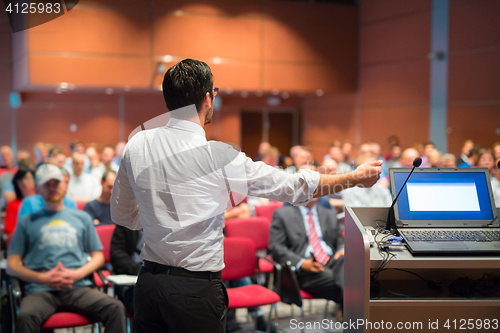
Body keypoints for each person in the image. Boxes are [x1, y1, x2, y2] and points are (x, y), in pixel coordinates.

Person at [111, 58, 382, 333]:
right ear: (208, 98)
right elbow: (293, 187)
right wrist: (354, 178)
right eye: (214, 93)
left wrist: (160, 222)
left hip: (148, 285)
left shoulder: (138, 143)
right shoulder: (217, 156)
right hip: (194, 291)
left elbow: (121, 214)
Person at [6, 164, 126, 333]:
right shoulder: (27, 222)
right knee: (26, 317)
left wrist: (78, 273)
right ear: (38, 189)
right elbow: (12, 265)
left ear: (64, 184)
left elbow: (98, 256)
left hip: (78, 286)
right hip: (41, 290)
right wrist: (42, 277)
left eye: (56, 183)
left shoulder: (82, 218)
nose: (52, 188)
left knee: (115, 308)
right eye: (47, 184)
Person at [268, 192, 345, 308]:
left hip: (332, 261)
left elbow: (340, 241)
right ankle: (359, 318)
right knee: (353, 285)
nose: (311, 192)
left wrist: (341, 250)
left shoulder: (329, 214)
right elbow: (276, 247)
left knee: (350, 268)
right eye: (307, 188)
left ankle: (354, 317)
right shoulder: (283, 215)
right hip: (305, 268)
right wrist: (302, 263)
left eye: (315, 188)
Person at [110, 224, 143, 313]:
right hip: (130, 276)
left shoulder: (164, 226)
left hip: (157, 277)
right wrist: (139, 270)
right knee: (143, 304)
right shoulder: (126, 223)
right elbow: (117, 255)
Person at [4, 168, 37, 236]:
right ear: (17, 183)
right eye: (20, 180)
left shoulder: (43, 202)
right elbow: (10, 232)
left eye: (27, 178)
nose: (24, 182)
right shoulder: (13, 205)